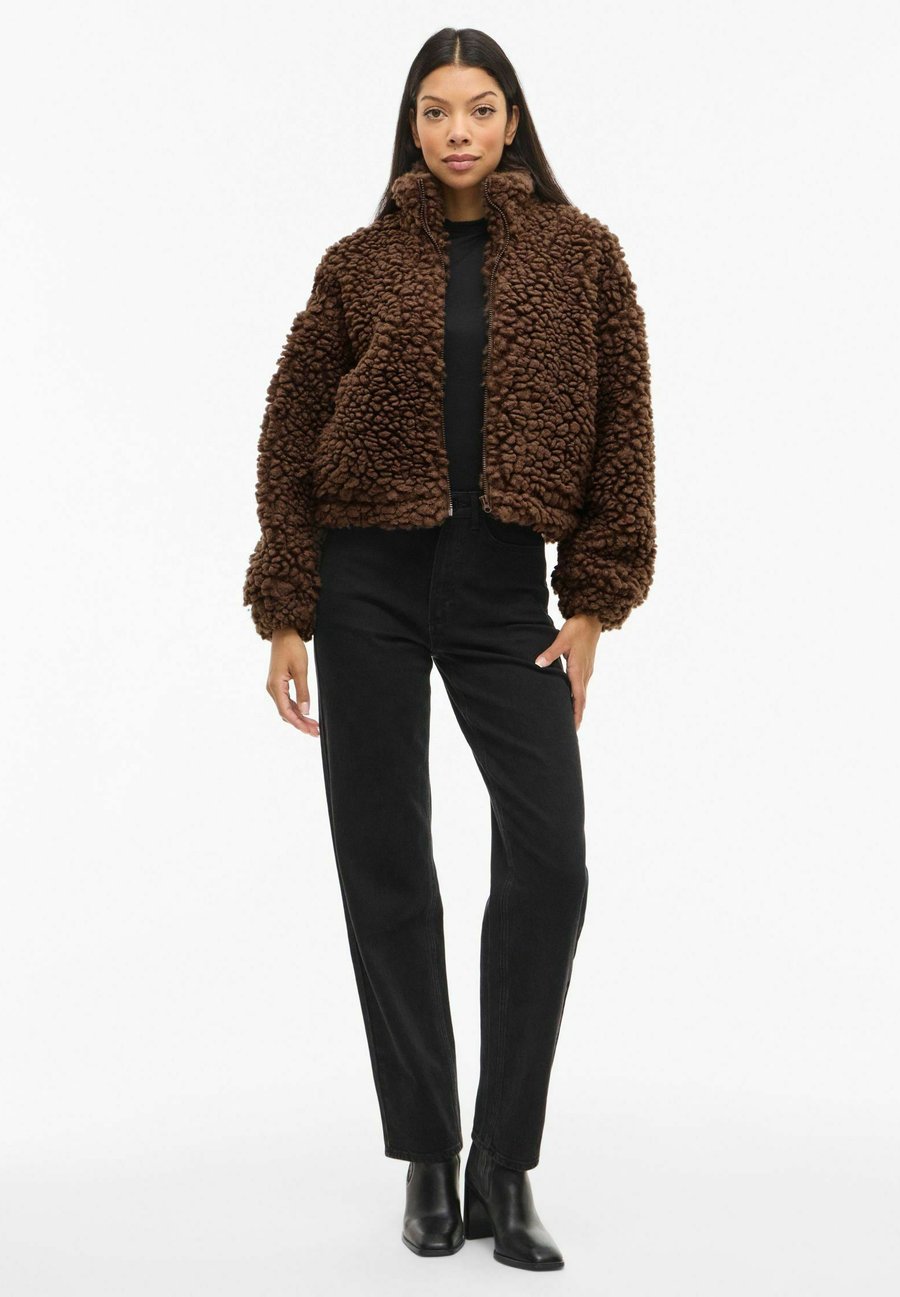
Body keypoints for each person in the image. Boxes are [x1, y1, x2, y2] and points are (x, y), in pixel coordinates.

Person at [242, 28, 656, 1272]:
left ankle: (503, 1162)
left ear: (513, 119)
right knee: (385, 863)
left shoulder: (584, 257)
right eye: (436, 110)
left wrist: (593, 601)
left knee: (552, 862)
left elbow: (626, 430)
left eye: (480, 107)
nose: (458, 131)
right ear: (411, 124)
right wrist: (287, 605)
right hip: (363, 582)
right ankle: (426, 1150)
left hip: (500, 592)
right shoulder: (358, 264)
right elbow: (290, 425)